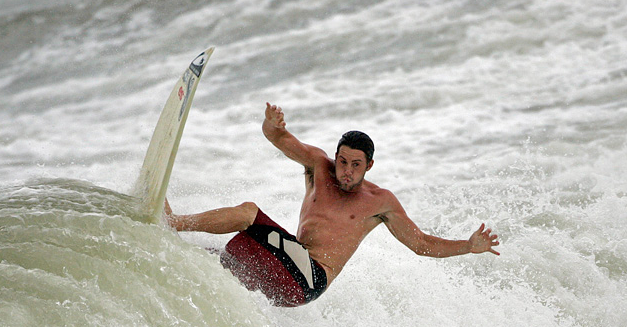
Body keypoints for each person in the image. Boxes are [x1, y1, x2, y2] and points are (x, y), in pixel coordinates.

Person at [164, 103, 500, 307]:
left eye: (355, 165)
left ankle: (172, 221)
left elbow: (421, 244)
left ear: (369, 166)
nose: (346, 172)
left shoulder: (380, 202)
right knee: (211, 258)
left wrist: (468, 247)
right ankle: (162, 245)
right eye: (342, 162)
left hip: (309, 281)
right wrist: (271, 124)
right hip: (284, 269)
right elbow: (281, 140)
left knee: (249, 213)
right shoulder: (318, 166)